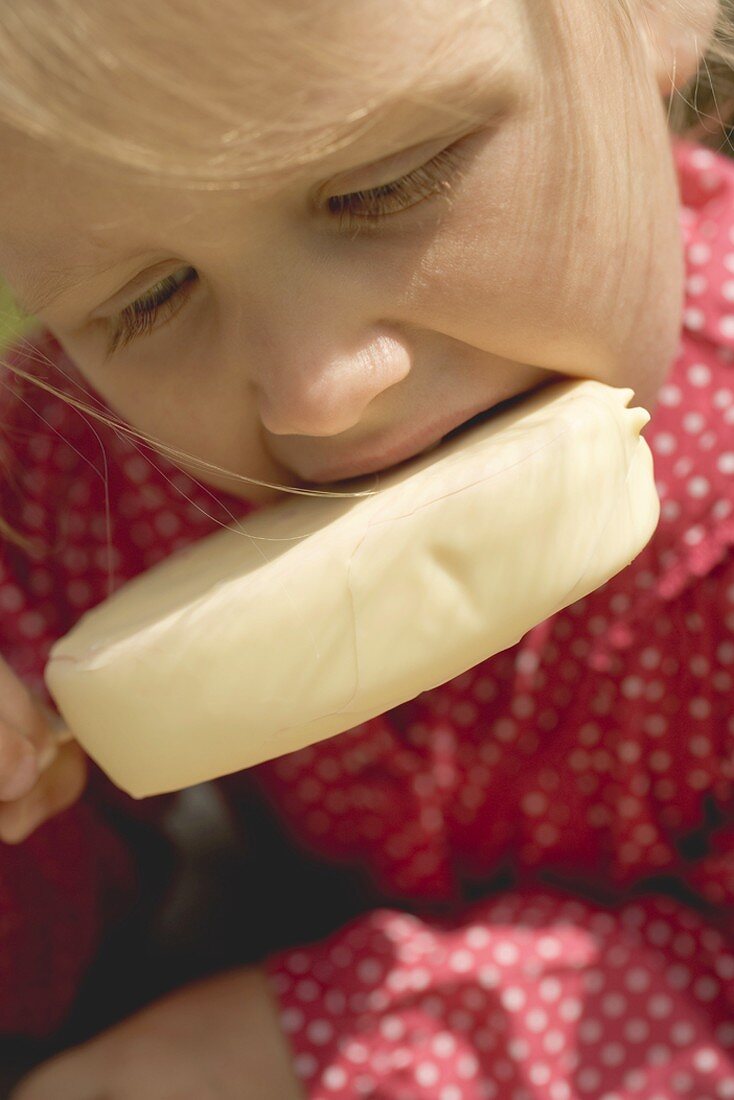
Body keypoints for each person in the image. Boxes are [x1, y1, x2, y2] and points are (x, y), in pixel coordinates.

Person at [0, 0, 733, 1095]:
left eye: (385, 184)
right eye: (150, 301)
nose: (318, 394)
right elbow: (41, 965)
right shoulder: (80, 475)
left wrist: (307, 1040)